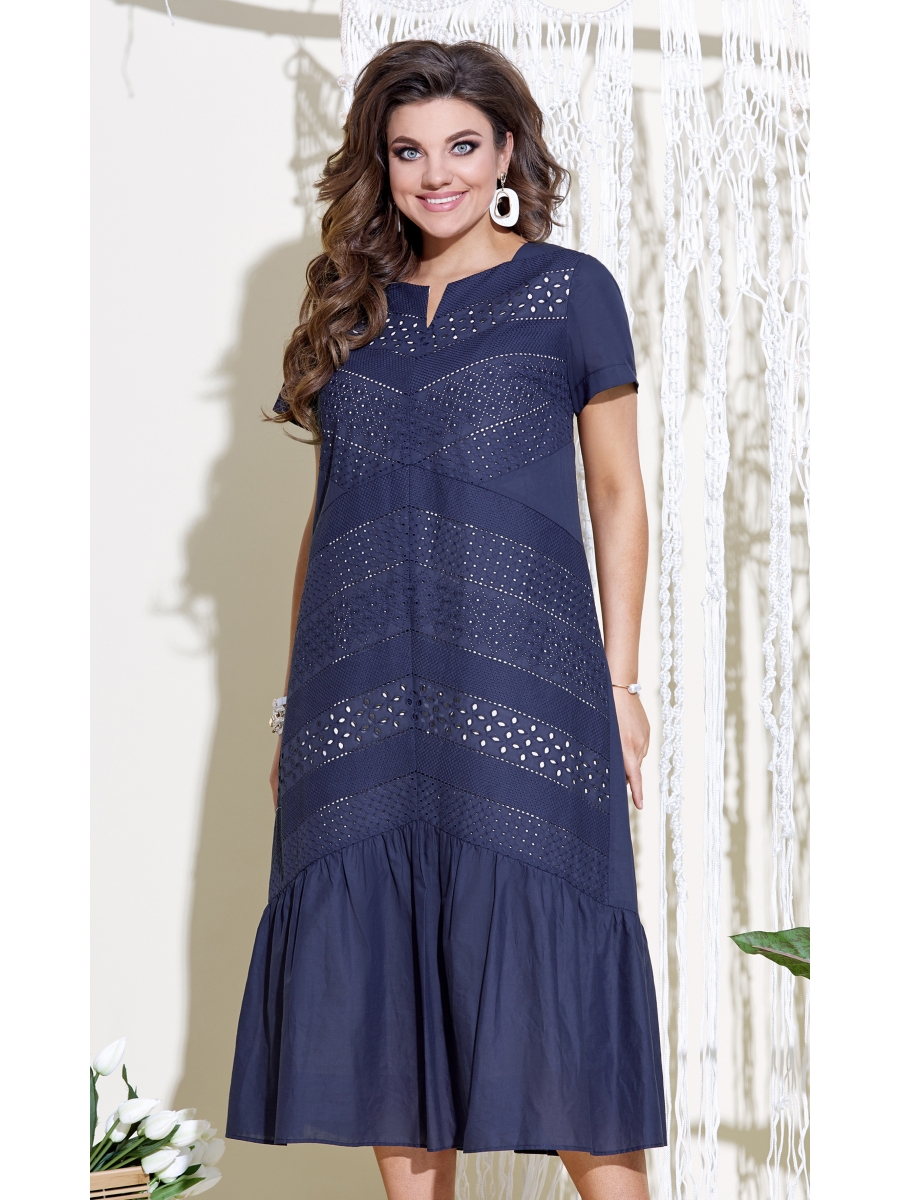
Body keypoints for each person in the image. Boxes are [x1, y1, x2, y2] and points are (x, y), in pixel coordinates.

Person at [226, 39, 666, 1200]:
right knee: (389, 1007)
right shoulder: (348, 306)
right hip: (359, 699)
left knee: (562, 1004)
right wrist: (293, 709)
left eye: (463, 147)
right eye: (409, 151)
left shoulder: (571, 291)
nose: (438, 175)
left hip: (526, 686)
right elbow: (329, 516)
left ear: (506, 152)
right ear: (381, 162)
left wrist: (620, 684)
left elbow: (618, 495)